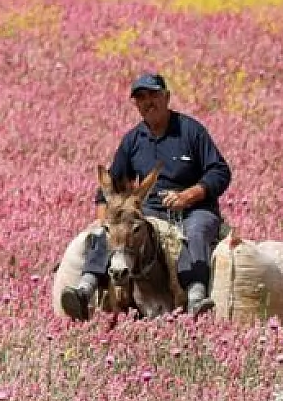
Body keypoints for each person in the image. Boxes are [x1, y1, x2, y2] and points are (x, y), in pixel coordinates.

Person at [60, 72, 232, 321]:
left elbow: (220, 171)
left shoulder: (190, 131)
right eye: (141, 97)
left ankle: (195, 297)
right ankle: (86, 289)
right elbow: (109, 185)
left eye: (153, 95)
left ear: (167, 97)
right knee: (114, 232)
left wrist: (190, 195)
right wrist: (105, 223)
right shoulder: (133, 140)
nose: (148, 102)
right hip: (151, 211)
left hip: (194, 210)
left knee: (195, 233)